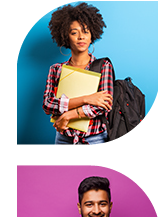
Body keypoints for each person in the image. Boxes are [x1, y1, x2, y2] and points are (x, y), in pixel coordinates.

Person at [42, 2, 113, 145]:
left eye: (85, 31)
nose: (81, 37)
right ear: (65, 37)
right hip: (63, 139)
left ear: (92, 35)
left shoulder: (103, 66)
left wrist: (68, 115)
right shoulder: (56, 69)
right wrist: (87, 98)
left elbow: (102, 105)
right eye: (74, 32)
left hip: (95, 139)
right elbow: (48, 104)